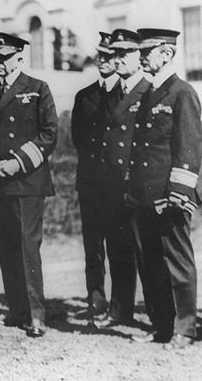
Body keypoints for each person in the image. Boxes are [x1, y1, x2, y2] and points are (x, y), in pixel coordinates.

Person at [127, 28, 200, 350]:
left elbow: (189, 146)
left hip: (169, 195)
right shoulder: (149, 92)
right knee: (151, 263)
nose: (141, 57)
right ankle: (162, 326)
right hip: (144, 193)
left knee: (177, 263)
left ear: (166, 54)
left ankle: (185, 329)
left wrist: (178, 194)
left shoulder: (182, 92)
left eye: (147, 52)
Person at [0, 32, 58, 338]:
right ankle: (16, 310)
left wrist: (14, 163)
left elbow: (50, 134)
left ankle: (36, 314)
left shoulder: (38, 89)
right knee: (7, 246)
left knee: (27, 247)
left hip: (27, 181)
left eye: (5, 58)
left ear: (20, 59)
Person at [94, 29, 152, 328]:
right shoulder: (112, 92)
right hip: (112, 184)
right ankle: (120, 311)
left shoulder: (148, 90)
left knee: (146, 253)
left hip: (137, 184)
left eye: (123, 54)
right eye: (113, 53)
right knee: (117, 249)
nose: (116, 60)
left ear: (139, 57)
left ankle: (159, 318)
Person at [71, 32, 124, 324]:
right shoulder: (84, 96)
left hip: (116, 184)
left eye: (110, 56)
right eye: (101, 56)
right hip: (90, 182)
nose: (104, 61)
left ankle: (119, 304)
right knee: (92, 245)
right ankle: (95, 297)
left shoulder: (127, 95)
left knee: (118, 243)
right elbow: (78, 137)